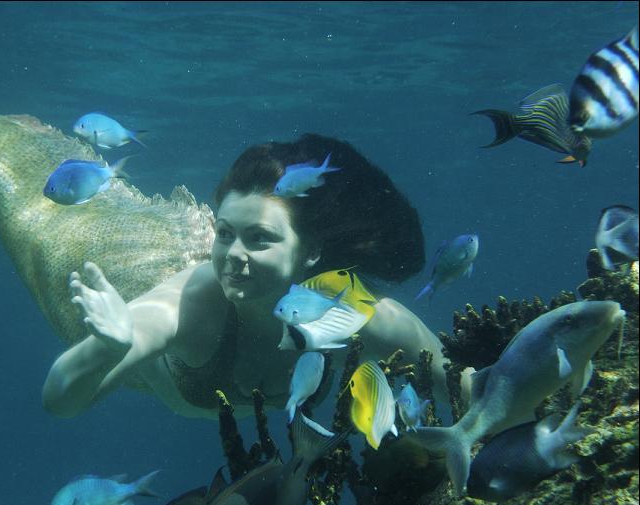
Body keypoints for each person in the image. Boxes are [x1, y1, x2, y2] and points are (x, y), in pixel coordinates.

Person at [42, 134, 450, 419]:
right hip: (129, 284)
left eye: (259, 238)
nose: (234, 255)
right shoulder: (189, 305)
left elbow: (461, 385)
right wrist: (108, 349)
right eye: (224, 234)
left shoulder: (350, 308)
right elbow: (60, 402)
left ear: (310, 252)